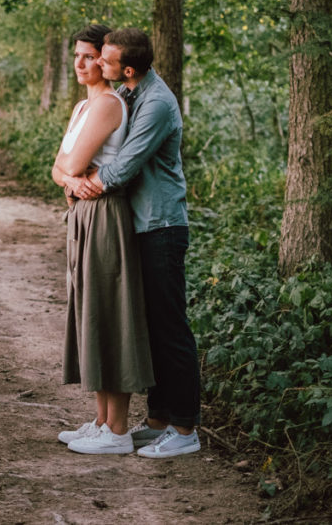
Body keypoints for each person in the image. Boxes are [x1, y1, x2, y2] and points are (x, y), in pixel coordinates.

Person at [69, 27, 201, 458]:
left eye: (104, 61)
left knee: (169, 326)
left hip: (160, 225)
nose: (98, 66)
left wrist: (81, 182)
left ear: (127, 67)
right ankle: (159, 418)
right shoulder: (130, 92)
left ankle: (184, 428)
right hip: (137, 225)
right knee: (147, 326)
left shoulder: (157, 103)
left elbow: (123, 167)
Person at [52, 24, 154, 455]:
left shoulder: (109, 105)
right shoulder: (81, 108)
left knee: (110, 312)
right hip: (83, 212)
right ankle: (99, 421)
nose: (80, 64)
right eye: (75, 55)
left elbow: (72, 163)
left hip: (105, 216)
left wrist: (70, 176)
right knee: (89, 309)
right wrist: (68, 180)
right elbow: (58, 169)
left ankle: (117, 430)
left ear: (106, 62)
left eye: (89, 56)